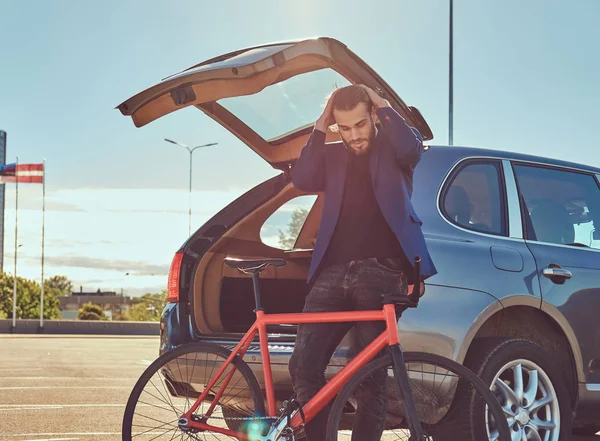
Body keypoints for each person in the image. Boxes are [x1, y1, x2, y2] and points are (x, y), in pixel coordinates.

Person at [288, 84, 437, 440]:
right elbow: (303, 177)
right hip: (332, 273)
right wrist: (322, 126)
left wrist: (383, 104)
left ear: (372, 116)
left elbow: (412, 149)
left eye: (360, 124)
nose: (354, 135)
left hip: (382, 271)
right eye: (346, 127)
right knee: (302, 365)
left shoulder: (393, 148)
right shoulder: (333, 154)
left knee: (370, 373)